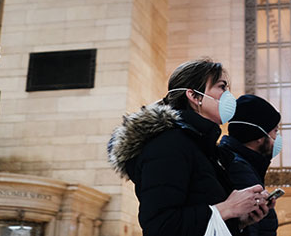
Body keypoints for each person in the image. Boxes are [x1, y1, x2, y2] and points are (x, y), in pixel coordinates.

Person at [108, 59, 270, 236]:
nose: (228, 96)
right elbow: (160, 226)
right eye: (221, 87)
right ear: (194, 96)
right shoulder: (168, 144)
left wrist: (239, 221)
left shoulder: (203, 147)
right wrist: (227, 209)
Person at [219, 94, 282, 236]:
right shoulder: (239, 168)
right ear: (260, 136)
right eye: (275, 131)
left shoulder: (243, 163)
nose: (277, 139)